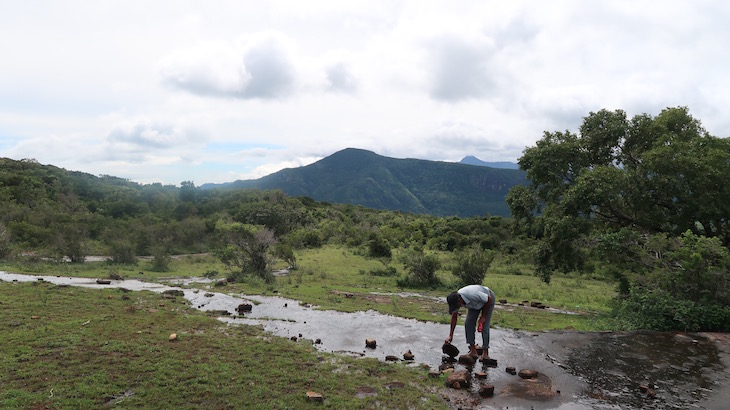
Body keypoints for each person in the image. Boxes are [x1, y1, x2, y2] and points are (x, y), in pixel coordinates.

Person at [444, 284, 495, 361]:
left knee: (485, 326)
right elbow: (454, 317)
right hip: (473, 305)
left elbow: (488, 299)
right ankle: (473, 351)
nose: (457, 307)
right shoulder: (456, 300)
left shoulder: (472, 294)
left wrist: (483, 316)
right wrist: (450, 335)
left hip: (487, 299)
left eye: (456, 305)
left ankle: (485, 352)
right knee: (468, 324)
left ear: (459, 300)